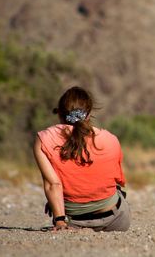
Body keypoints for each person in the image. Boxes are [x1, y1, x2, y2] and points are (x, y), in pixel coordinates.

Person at [33, 86, 130, 231]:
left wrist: (59, 219)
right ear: (89, 114)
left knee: (58, 193)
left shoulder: (44, 139)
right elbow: (117, 181)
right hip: (114, 221)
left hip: (72, 221)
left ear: (59, 113)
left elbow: (53, 185)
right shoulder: (110, 139)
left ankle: (61, 214)